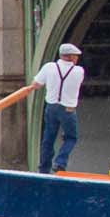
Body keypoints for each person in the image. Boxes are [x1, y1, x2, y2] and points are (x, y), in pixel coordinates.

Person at [34, 42, 86, 174]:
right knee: (71, 137)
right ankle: (60, 162)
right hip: (68, 109)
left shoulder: (49, 67)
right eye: (76, 56)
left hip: (51, 107)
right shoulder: (79, 71)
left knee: (48, 138)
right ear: (71, 57)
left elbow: (37, 84)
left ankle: (43, 168)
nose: (77, 58)